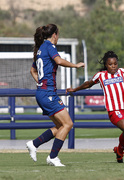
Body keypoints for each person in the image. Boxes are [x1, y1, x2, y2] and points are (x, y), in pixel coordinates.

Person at [66, 47, 124, 163]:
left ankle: (119, 152)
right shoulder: (101, 75)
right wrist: (74, 89)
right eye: (110, 64)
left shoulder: (122, 72)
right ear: (106, 65)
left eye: (115, 64)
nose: (113, 66)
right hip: (114, 111)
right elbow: (88, 84)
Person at [26, 24, 85, 166]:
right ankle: (52, 157)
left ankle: (34, 144)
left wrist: (40, 83)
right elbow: (58, 60)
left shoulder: (40, 49)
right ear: (54, 35)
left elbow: (32, 71)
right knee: (68, 124)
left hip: (42, 93)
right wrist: (75, 65)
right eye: (58, 35)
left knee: (61, 127)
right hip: (47, 93)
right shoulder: (49, 47)